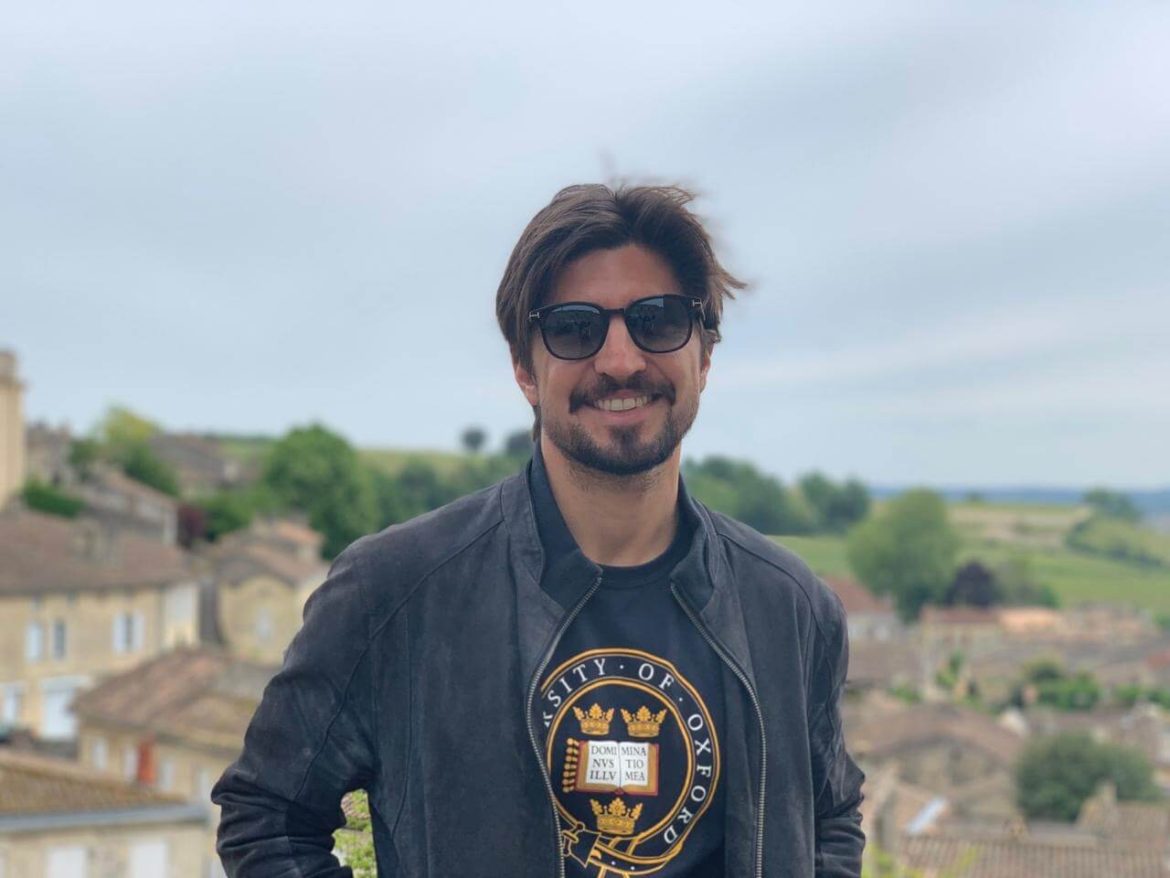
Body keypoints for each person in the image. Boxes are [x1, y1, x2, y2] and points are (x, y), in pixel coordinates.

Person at [213, 183, 865, 877]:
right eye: (576, 329)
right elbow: (267, 819)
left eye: (658, 320)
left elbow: (829, 820)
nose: (620, 360)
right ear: (526, 368)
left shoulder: (791, 609)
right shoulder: (394, 592)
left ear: (703, 356)